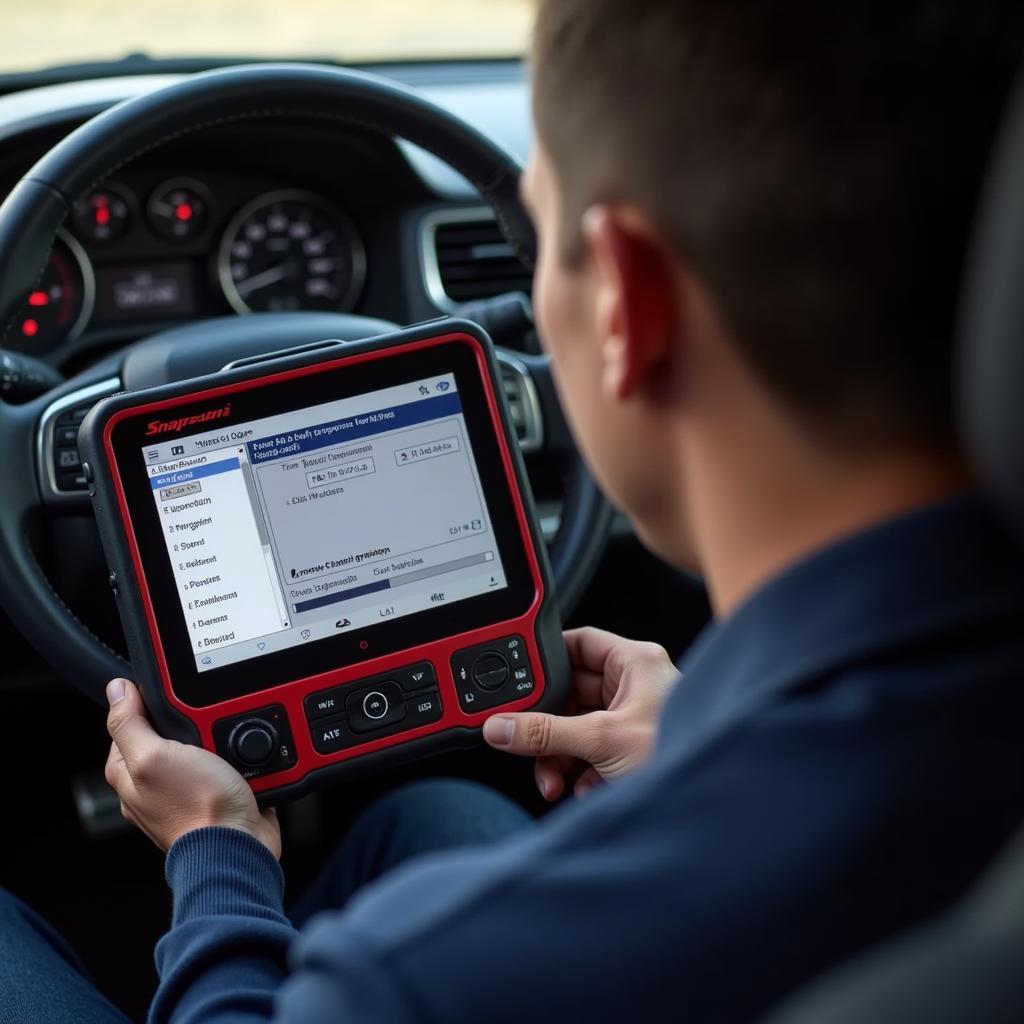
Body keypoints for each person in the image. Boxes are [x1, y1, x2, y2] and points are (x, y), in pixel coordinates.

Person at [4, 1, 1024, 1021]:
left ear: (626, 304)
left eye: (539, 245)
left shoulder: (407, 981)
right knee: (436, 810)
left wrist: (214, 857)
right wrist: (702, 745)